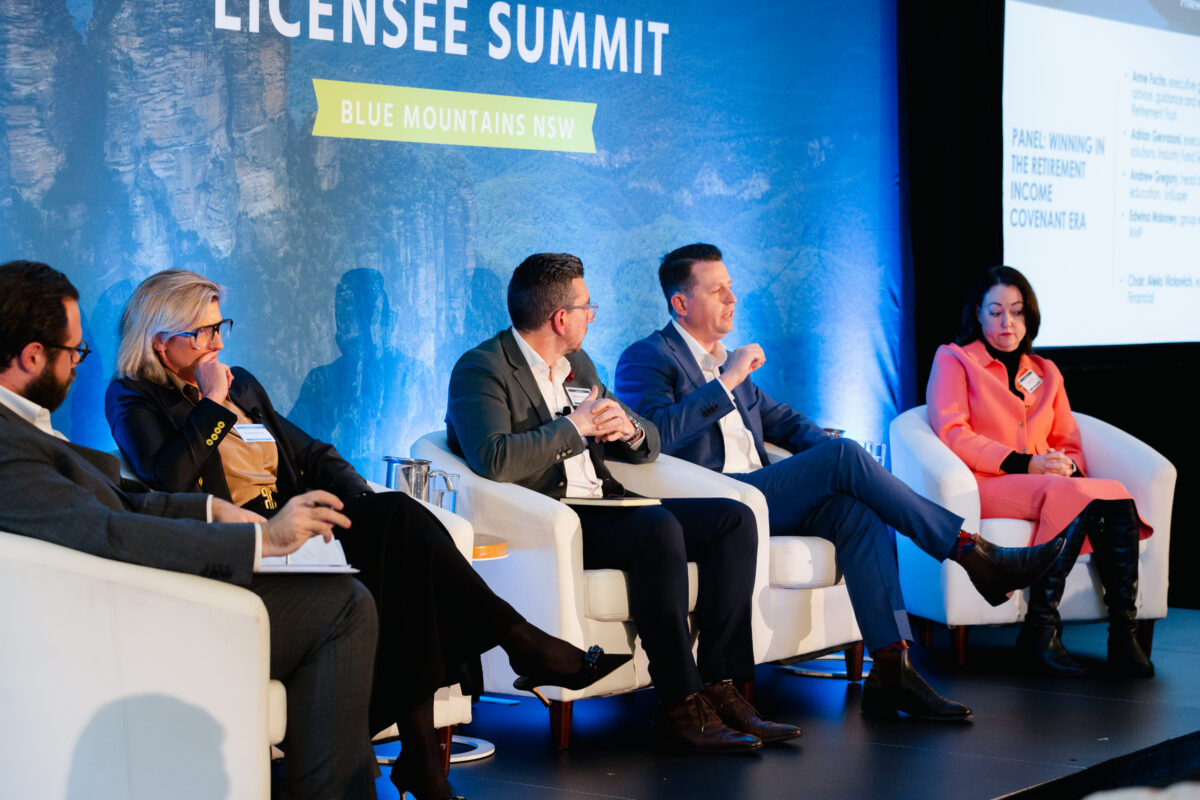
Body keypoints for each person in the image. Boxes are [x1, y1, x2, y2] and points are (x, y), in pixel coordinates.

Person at [104, 269, 630, 800]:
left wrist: (360, 500)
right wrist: (212, 406)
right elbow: (167, 478)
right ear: (160, 341)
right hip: (246, 546)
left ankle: (432, 751)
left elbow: (312, 454)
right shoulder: (133, 397)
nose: (218, 344)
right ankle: (516, 657)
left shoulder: (241, 383)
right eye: (203, 333)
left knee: (399, 543)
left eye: (222, 328)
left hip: (300, 528)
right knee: (401, 537)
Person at [615, 243, 1065, 720]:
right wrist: (725, 382)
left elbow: (788, 424)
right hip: (717, 503)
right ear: (681, 303)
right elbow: (654, 436)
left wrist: (851, 469)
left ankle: (892, 667)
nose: (732, 298)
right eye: (716, 290)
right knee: (844, 457)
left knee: (858, 509)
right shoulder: (649, 356)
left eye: (731, 287)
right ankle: (973, 554)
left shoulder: (729, 363)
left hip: (762, 494)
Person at [0, 260, 380, 800]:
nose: (79, 365)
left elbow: (124, 501)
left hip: (142, 589)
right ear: (32, 356)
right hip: (129, 618)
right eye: (74, 352)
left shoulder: (22, 427)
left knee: (358, 577)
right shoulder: (13, 443)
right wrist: (262, 541)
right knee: (343, 606)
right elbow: (108, 533)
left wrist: (209, 510)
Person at [446, 252, 800, 753]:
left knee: (733, 518)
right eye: (587, 307)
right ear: (560, 318)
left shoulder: (578, 365)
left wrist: (628, 430)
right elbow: (494, 458)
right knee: (657, 527)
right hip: (552, 516)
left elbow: (649, 439)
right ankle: (679, 704)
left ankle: (722, 687)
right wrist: (574, 428)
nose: (592, 317)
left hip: (607, 503)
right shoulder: (482, 368)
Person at [926, 265, 1154, 678]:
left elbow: (1069, 442)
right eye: (996, 311)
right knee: (1073, 495)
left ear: (1028, 316)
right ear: (978, 313)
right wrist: (1025, 463)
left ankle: (1124, 633)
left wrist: (1067, 465)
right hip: (985, 483)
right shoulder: (955, 359)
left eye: (1016, 311)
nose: (1007, 322)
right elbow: (953, 433)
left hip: (1048, 484)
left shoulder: (1046, 372)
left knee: (1115, 493)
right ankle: (1040, 629)